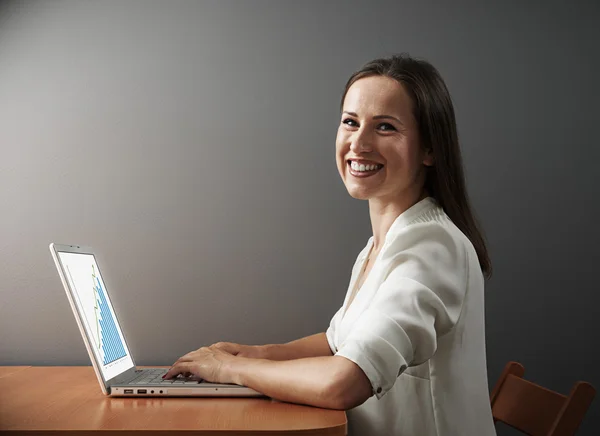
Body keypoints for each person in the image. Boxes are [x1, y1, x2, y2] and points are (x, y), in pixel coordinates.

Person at [163, 53, 497, 435]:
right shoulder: (383, 245)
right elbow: (340, 343)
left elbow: (344, 380)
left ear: (429, 150)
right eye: (350, 122)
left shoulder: (433, 249)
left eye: (385, 127)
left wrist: (229, 369)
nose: (359, 142)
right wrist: (254, 353)